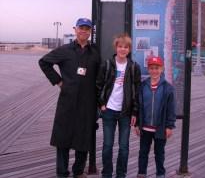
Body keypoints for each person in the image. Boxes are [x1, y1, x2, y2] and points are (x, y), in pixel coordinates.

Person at [39, 18, 100, 178]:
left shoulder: (95, 52)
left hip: (88, 102)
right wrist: (58, 81)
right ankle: (62, 172)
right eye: (81, 28)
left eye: (87, 29)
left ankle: (78, 171)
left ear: (90, 31)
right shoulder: (64, 50)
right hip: (67, 101)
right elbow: (44, 62)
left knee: (84, 138)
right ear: (75, 29)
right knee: (63, 139)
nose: (84, 31)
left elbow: (100, 76)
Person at [96, 33, 141, 178]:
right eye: (120, 46)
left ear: (129, 49)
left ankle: (121, 174)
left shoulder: (134, 67)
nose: (123, 49)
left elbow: (136, 91)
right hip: (108, 110)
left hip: (125, 113)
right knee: (107, 146)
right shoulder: (107, 64)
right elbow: (98, 85)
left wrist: (135, 112)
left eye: (126, 47)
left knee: (124, 147)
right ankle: (107, 174)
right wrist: (102, 104)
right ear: (116, 47)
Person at [135, 56, 176, 178]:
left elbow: (171, 109)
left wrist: (169, 126)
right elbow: (138, 106)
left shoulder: (168, 88)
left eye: (157, 68)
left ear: (162, 69)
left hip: (160, 128)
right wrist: (137, 124)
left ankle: (160, 173)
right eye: (152, 68)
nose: (154, 71)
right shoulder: (142, 86)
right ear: (148, 69)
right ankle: (142, 173)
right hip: (145, 128)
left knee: (159, 153)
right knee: (143, 152)